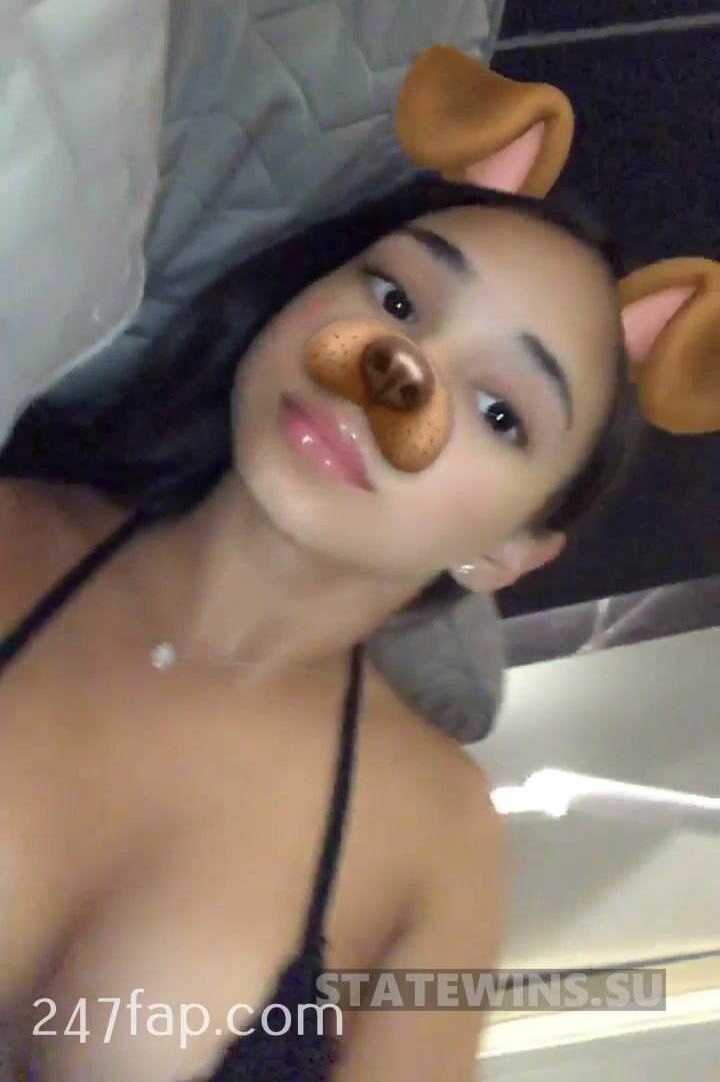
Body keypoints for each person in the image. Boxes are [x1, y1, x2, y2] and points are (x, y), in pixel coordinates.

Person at [0, 173, 639, 1082]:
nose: (394, 371)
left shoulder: (440, 840)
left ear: (507, 553)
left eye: (500, 411)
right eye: (397, 298)